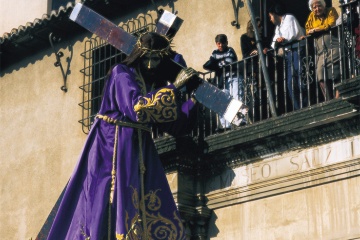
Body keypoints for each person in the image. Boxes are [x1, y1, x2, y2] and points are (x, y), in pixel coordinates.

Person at [47, 32, 199, 240]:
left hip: (138, 147)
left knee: (148, 203)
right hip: (112, 142)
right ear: (138, 55)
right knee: (106, 200)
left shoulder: (154, 86)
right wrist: (174, 87)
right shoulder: (121, 73)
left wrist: (190, 101)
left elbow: (172, 124)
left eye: (155, 59)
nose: (150, 65)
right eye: (146, 58)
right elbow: (136, 108)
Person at [266, 4, 308, 110]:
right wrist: (275, 44)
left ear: (274, 14)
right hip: (289, 53)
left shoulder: (289, 18)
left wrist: (281, 40)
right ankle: (298, 108)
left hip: (297, 50)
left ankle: (306, 105)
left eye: (270, 16)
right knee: (290, 83)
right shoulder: (278, 27)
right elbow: (274, 43)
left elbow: (289, 35)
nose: (270, 19)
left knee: (299, 78)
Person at [203, 34, 246, 130]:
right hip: (222, 81)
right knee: (221, 101)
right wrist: (217, 64)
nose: (220, 45)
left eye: (222, 43)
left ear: (226, 42)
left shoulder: (230, 50)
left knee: (237, 97)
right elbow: (207, 65)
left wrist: (216, 64)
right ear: (216, 44)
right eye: (218, 43)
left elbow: (228, 62)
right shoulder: (214, 53)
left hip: (233, 77)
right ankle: (226, 125)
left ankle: (241, 121)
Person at [305, 0, 340, 99]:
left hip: (334, 47)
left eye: (319, 6)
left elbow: (331, 23)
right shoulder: (312, 16)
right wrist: (316, 30)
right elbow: (308, 29)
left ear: (324, 6)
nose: (317, 9)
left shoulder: (331, 11)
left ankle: (338, 99)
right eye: (314, 7)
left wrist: (317, 29)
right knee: (320, 74)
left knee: (336, 74)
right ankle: (329, 100)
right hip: (321, 52)